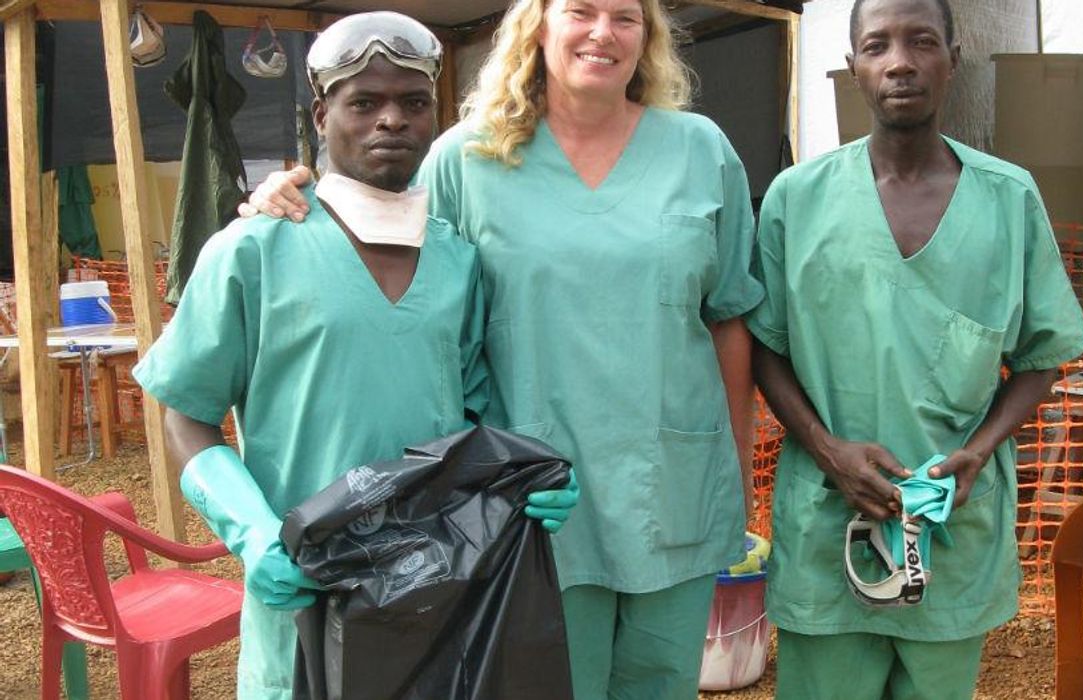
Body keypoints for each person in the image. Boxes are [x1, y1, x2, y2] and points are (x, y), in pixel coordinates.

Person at [243, 1, 764, 697]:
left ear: (649, 38)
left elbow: (728, 312)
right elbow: (379, 230)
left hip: (673, 486)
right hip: (526, 501)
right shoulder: (468, 157)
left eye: (625, 17)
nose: (602, 32)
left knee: (660, 685)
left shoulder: (699, 148)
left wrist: (732, 456)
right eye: (580, 10)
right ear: (537, 26)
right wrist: (292, 187)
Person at [132, 14, 578, 699]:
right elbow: (186, 415)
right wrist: (252, 534)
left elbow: (471, 422)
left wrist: (526, 484)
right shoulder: (252, 251)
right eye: (364, 103)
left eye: (413, 102)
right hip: (305, 592)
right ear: (321, 114)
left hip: (432, 591)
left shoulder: (456, 262)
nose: (391, 120)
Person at [746, 0, 1083, 697]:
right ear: (853, 68)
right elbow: (764, 347)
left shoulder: (1005, 198)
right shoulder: (797, 199)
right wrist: (827, 450)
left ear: (951, 61)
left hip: (951, 525)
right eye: (876, 45)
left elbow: (1039, 358)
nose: (899, 61)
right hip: (828, 523)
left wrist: (978, 449)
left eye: (921, 42)